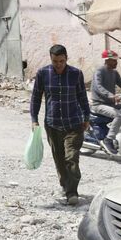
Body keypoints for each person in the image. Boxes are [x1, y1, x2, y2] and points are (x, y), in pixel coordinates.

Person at [30, 44, 91, 206]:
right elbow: (36, 98)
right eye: (55, 61)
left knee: (71, 157)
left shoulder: (76, 74)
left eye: (62, 61)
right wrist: (34, 119)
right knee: (59, 158)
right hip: (53, 123)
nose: (59, 64)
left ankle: (72, 192)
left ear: (66, 58)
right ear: (51, 59)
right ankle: (65, 185)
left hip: (74, 123)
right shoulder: (43, 74)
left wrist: (87, 116)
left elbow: (82, 96)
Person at [90, 50, 121, 155]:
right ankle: (108, 139)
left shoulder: (114, 73)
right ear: (107, 60)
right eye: (114, 60)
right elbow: (99, 87)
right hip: (98, 104)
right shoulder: (99, 71)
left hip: (110, 104)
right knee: (119, 115)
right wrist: (111, 95)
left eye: (116, 60)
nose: (116, 62)